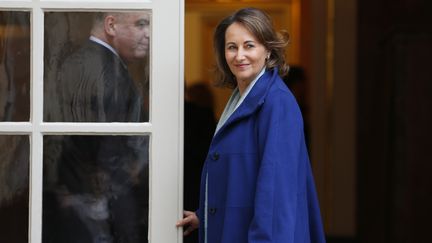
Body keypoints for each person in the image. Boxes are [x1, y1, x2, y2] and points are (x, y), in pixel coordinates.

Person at [177, 8, 326, 243]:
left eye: (249, 46)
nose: (239, 56)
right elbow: (242, 177)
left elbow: (276, 195)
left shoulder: (277, 103)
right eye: (232, 47)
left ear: (268, 50)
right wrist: (204, 216)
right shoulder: (241, 97)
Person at [43, 11, 150, 243]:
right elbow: (109, 150)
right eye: (141, 24)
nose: (148, 34)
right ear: (111, 25)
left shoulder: (74, 61)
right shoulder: (107, 71)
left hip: (71, 198)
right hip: (98, 203)